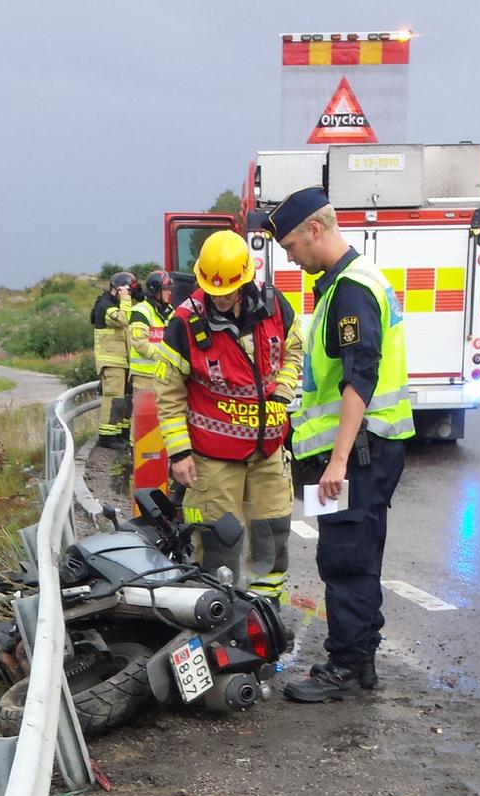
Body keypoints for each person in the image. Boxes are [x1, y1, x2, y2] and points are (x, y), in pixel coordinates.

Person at [262, 187, 414, 703]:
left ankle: (346, 664)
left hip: (353, 454)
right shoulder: (343, 285)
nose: (288, 255)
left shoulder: (350, 289)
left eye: (290, 245)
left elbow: (359, 379)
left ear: (316, 230)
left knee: (345, 557)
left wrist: (340, 461)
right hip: (358, 451)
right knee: (358, 553)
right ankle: (361, 658)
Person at [154, 231, 303, 598]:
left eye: (228, 290)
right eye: (212, 290)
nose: (219, 298)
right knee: (219, 541)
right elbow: (169, 395)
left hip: (267, 451)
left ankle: (266, 613)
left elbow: (294, 351)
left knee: (272, 532)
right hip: (213, 458)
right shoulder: (184, 323)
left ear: (245, 280)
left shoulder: (275, 306)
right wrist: (179, 453)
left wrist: (282, 392)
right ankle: (221, 617)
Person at [91, 272, 137, 449]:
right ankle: (107, 436)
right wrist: (125, 299)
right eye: (126, 291)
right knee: (113, 399)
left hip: (122, 361)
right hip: (111, 362)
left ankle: (120, 432)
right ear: (118, 289)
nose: (129, 295)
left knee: (124, 399)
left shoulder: (114, 305)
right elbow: (124, 320)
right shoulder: (105, 305)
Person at [127, 269, 174, 444]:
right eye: (166, 289)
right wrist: (164, 357)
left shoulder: (170, 311)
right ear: (156, 291)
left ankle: (160, 455)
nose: (170, 293)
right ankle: (136, 451)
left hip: (163, 375)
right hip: (143, 376)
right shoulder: (141, 311)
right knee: (142, 417)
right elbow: (140, 344)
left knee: (162, 416)